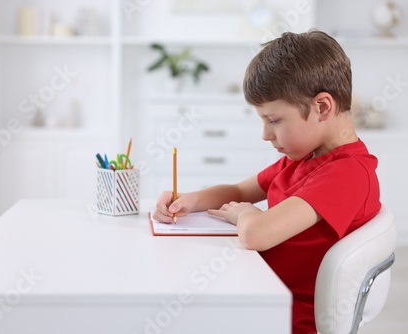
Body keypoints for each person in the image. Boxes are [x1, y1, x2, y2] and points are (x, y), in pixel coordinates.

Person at [152, 30, 381, 334]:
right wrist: (188, 199)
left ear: (322, 107)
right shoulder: (304, 157)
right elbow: (237, 191)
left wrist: (245, 214)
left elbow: (255, 234)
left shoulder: (346, 174)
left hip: (287, 316)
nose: (265, 134)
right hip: (263, 291)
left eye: (274, 120)